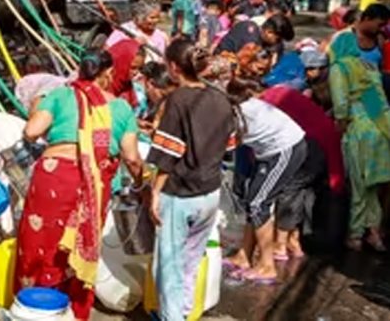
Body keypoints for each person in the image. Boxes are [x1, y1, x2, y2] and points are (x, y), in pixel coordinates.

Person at [15, 49, 143, 321]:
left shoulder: (61, 94)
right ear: (107, 74)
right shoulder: (120, 108)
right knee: (76, 244)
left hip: (53, 176)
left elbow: (31, 131)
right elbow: (132, 158)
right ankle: (70, 310)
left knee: (41, 240)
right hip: (92, 185)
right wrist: (142, 182)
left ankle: (33, 305)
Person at [147, 39, 237, 321]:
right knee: (189, 263)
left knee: (170, 267)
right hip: (210, 193)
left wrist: (154, 194)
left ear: (173, 67)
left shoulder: (178, 100)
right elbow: (230, 147)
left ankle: (173, 317)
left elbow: (167, 155)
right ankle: (183, 314)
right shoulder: (220, 97)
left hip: (180, 194)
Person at [223, 80, 310, 284]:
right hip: (269, 152)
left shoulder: (238, 114)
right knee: (251, 201)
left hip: (286, 149)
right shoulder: (236, 108)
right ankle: (244, 256)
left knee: (258, 203)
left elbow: (218, 147)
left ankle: (267, 265)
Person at [259, 83, 345, 258]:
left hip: (310, 147)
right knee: (301, 192)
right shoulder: (285, 92)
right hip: (319, 147)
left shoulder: (266, 103)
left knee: (289, 190)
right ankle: (293, 240)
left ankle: (281, 244)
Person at [327, 26, 390, 252]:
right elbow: (377, 102)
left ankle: (355, 235)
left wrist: (340, 125)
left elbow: (341, 104)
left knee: (358, 184)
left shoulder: (339, 68)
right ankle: (374, 233)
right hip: (380, 130)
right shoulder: (367, 66)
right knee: (372, 186)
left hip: (359, 132)